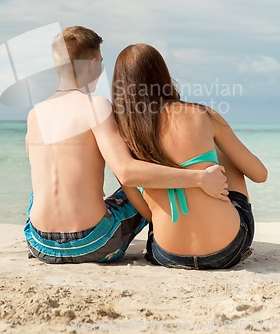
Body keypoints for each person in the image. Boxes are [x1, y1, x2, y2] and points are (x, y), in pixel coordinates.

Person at [24, 27, 228, 264]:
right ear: (92, 65)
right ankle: (171, 235)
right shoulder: (96, 106)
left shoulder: (35, 113)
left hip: (40, 244)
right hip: (92, 244)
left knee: (40, 186)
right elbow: (127, 172)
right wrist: (199, 179)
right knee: (143, 185)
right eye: (101, 62)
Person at [112, 43, 268, 270]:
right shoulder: (202, 114)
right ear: (162, 75)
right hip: (226, 250)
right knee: (225, 151)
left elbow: (147, 213)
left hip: (167, 255)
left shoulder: (123, 137)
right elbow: (260, 174)